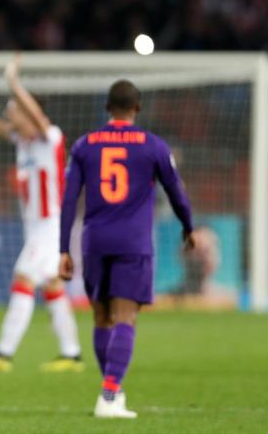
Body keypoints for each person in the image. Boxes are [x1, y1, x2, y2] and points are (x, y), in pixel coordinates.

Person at [59, 79, 195, 418]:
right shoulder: (153, 145)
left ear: (108, 108)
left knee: (102, 317)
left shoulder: (85, 145)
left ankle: (112, 392)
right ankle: (109, 396)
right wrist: (189, 226)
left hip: (95, 240)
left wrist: (63, 249)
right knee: (126, 317)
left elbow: (68, 199)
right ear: (137, 108)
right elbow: (176, 192)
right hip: (132, 242)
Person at [0, 55, 83, 373]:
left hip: (51, 225)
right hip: (37, 226)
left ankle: (4, 353)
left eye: (13, 110)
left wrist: (14, 83)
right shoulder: (22, 142)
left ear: (27, 113)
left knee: (23, 277)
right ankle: (72, 353)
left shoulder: (51, 138)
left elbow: (37, 116)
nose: (8, 115)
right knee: (53, 287)